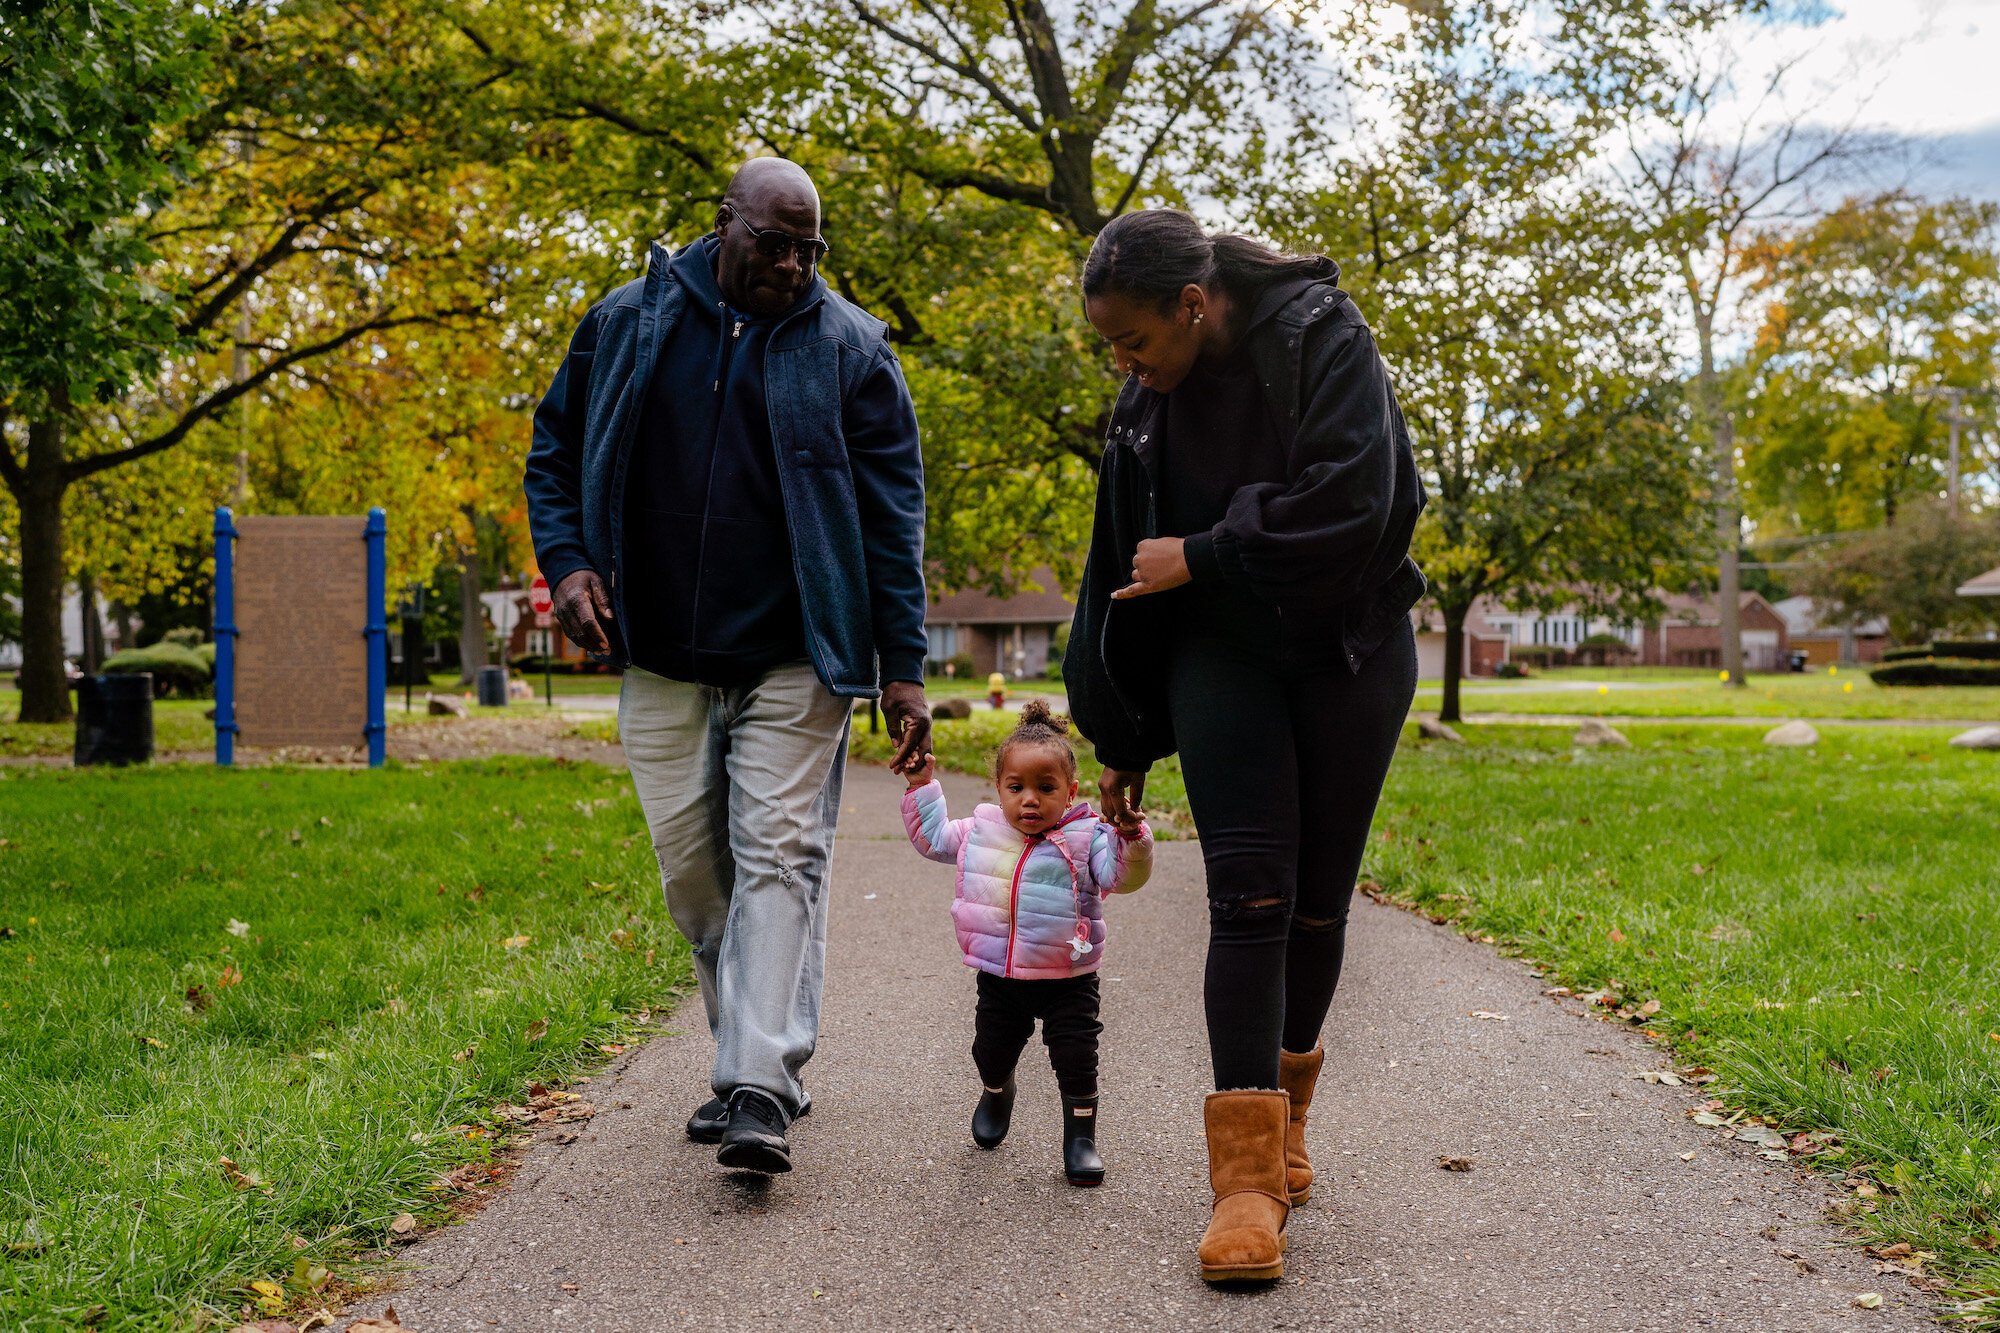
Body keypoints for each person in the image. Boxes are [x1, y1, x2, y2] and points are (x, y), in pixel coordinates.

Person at [524, 157, 931, 1176]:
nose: (792, 266)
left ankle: (754, 1081)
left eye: (810, 249)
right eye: (773, 243)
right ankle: (757, 1060)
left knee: (779, 851)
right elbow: (554, 451)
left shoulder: (851, 352)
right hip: (654, 650)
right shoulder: (627, 322)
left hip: (799, 650)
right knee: (694, 876)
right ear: (723, 226)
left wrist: (903, 666)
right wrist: (568, 563)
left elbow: (892, 519)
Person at [1063, 209, 1425, 1281]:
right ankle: (1244, 1182)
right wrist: (1121, 731)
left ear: (1193, 303)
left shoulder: (1319, 335)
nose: (1122, 363)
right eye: (1108, 347)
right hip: (1221, 659)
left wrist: (1210, 548)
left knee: (1319, 896)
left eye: (1133, 339)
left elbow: (1361, 502)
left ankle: (1287, 1112)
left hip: (1346, 651)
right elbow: (1116, 575)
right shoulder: (1144, 408)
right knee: (1249, 896)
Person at [898, 702, 1152, 1185]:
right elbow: (931, 839)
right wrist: (919, 787)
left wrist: (1129, 834)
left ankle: (1080, 1140)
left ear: (1071, 791)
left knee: (1077, 1060)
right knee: (989, 1052)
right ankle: (997, 1090)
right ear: (999, 789)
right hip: (1001, 976)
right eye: (1016, 788)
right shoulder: (980, 831)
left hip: (1070, 978)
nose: (1029, 801)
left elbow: (1123, 877)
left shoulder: (1089, 837)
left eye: (1046, 788)